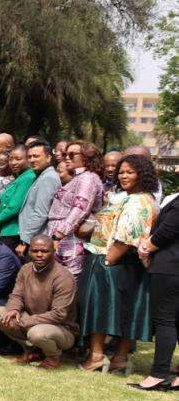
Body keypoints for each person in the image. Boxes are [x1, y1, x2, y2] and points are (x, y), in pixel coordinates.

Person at [77, 154, 158, 373]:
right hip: (127, 264)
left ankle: (96, 356)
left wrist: (107, 259)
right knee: (127, 311)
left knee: (100, 309)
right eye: (121, 171)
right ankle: (120, 358)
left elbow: (126, 237)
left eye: (129, 172)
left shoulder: (137, 200)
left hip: (113, 262)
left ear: (142, 174)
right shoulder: (135, 197)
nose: (123, 175)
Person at [0, 235, 79, 370]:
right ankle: (32, 351)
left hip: (60, 329)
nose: (39, 255)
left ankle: (53, 355)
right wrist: (14, 309)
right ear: (29, 251)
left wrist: (28, 322)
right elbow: (16, 295)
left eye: (44, 251)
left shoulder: (63, 277)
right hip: (32, 321)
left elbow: (59, 315)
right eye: (35, 251)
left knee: (37, 333)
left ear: (53, 252)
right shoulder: (25, 269)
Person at [132, 191, 179, 390]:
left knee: (165, 320)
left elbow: (169, 230)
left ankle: (159, 374)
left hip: (170, 266)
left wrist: (146, 246)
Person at [43, 140, 103, 277]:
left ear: (87, 157)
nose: (66, 158)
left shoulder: (87, 178)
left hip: (70, 243)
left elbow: (80, 209)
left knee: (66, 289)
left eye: (72, 154)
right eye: (65, 154)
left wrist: (57, 235)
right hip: (63, 241)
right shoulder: (80, 177)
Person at [17, 139, 60, 255]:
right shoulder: (41, 176)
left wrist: (25, 241)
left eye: (36, 156)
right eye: (29, 157)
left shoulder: (48, 178)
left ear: (48, 158)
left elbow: (40, 213)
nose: (32, 160)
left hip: (37, 241)